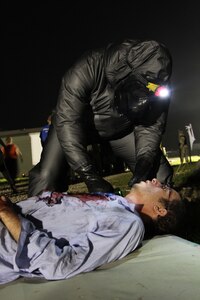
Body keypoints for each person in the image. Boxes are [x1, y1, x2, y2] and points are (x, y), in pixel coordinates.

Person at [28, 38, 174, 197]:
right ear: (127, 73)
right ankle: (32, 217)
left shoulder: (159, 87)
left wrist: (144, 163)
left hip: (121, 131)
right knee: (46, 176)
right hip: (76, 126)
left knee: (159, 174)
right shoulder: (87, 68)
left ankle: (160, 218)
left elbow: (151, 127)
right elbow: (67, 121)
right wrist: (89, 175)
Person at [0, 178, 184, 284]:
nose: (156, 180)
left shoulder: (129, 224)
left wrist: (9, 215)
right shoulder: (114, 203)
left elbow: (60, 265)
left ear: (161, 210)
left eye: (164, 188)